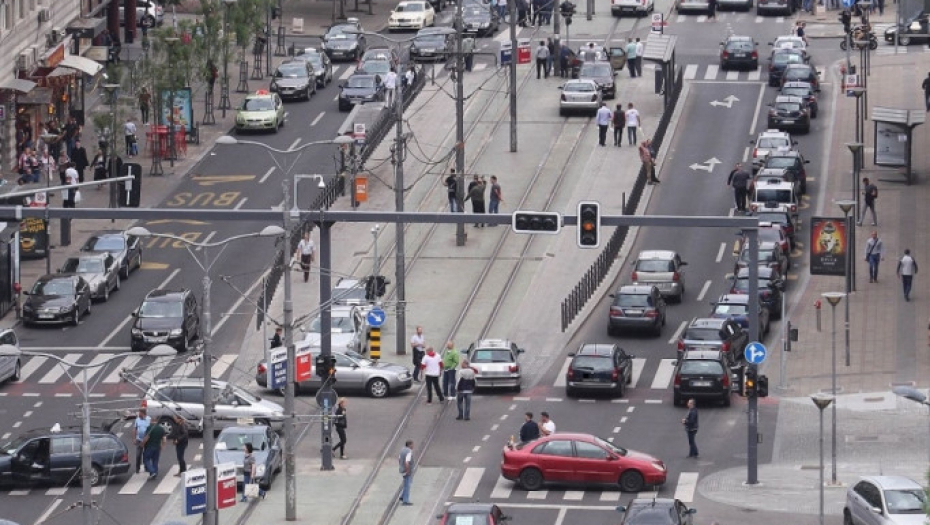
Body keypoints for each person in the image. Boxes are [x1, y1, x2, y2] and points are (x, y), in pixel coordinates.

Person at [132, 408, 151, 474]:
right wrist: (134, 438)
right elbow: (135, 429)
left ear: (143, 413)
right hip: (139, 440)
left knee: (146, 454)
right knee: (138, 455)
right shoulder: (137, 420)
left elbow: (150, 430)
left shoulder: (149, 419)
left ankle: (146, 467)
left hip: (147, 440)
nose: (138, 414)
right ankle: (137, 468)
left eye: (139, 413)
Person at [398, 440, 414, 506]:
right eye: (412, 445)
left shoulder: (402, 450)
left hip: (401, 469)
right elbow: (407, 462)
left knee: (406, 483)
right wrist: (407, 470)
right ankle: (405, 501)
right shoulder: (409, 451)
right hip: (406, 470)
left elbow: (399, 459)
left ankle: (402, 496)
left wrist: (401, 466)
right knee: (407, 485)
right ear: (409, 445)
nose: (413, 446)